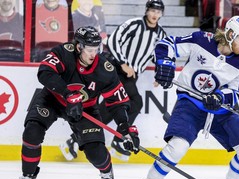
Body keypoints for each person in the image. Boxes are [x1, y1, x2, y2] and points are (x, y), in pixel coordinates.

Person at [5, 26, 139, 179]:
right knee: (32, 132)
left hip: (86, 109)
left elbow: (118, 102)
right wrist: (67, 93)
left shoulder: (105, 70)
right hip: (52, 99)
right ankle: (28, 178)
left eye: (96, 49)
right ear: (78, 47)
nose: (94, 54)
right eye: (89, 50)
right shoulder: (63, 52)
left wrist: (124, 127)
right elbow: (44, 73)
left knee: (96, 153)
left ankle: (106, 170)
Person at [136, 16, 239, 179]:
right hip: (190, 104)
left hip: (219, 110)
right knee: (178, 146)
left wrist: (220, 97)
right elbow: (166, 43)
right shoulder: (202, 40)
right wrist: (165, 64)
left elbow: (238, 91)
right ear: (230, 34)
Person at [63, 0, 166, 162]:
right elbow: (113, 41)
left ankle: (76, 137)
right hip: (116, 67)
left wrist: (160, 72)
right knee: (135, 101)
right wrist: (123, 63)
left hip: (131, 74)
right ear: (147, 11)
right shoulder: (134, 24)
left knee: (111, 107)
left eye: (158, 12)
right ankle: (119, 139)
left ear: (161, 14)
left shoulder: (161, 34)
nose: (155, 15)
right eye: (152, 11)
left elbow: (158, 55)